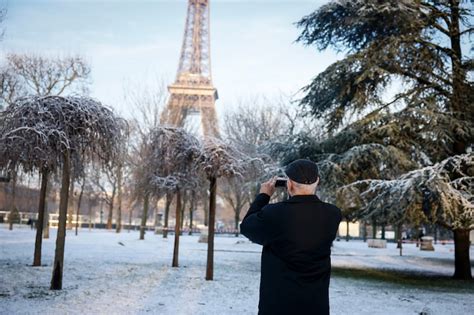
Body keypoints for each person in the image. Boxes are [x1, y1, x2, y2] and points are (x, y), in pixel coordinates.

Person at [240, 159, 342, 315]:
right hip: (315, 305)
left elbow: (247, 227)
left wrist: (263, 196)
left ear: (289, 184)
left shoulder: (275, 213)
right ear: (317, 182)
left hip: (278, 305)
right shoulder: (333, 214)